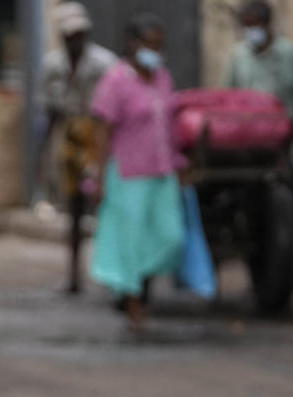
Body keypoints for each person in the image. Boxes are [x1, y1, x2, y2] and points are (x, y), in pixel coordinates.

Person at [86, 13, 185, 330]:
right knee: (130, 240)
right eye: (149, 44)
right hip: (128, 174)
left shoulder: (163, 77)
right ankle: (132, 302)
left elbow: (168, 124)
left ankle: (135, 283)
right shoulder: (115, 80)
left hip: (162, 170)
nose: (154, 51)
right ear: (133, 44)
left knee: (171, 237)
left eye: (159, 45)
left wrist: (179, 162)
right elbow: (102, 130)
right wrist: (99, 176)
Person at [224, 0, 293, 286]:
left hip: (280, 143)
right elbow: (227, 99)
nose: (251, 31)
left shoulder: (289, 54)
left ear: (267, 24)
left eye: (255, 25)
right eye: (246, 26)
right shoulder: (237, 56)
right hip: (245, 145)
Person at [40, 1, 116, 294]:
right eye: (70, 35)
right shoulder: (53, 65)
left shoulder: (103, 63)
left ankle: (111, 274)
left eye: (80, 34)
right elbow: (49, 111)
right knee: (72, 209)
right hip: (70, 138)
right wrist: (44, 154)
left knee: (104, 206)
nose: (75, 40)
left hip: (96, 136)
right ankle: (74, 276)